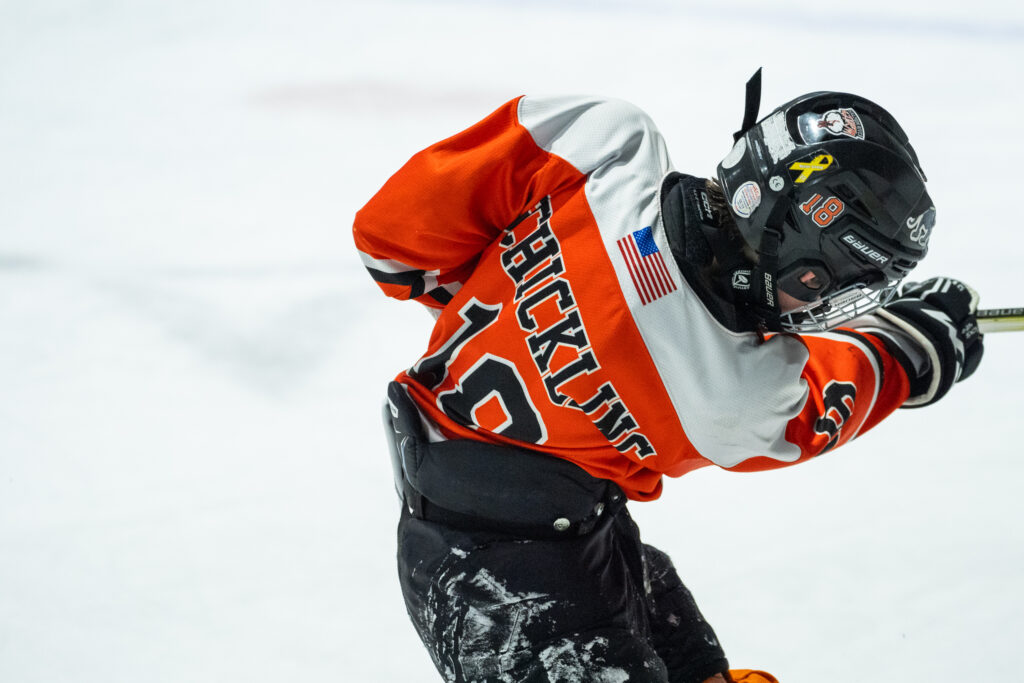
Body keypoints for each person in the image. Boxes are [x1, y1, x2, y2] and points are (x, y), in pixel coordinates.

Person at [352, 71, 984, 682]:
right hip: (512, 588)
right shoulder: (735, 393)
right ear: (799, 254)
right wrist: (912, 345)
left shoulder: (605, 144)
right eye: (843, 279)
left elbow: (390, 241)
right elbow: (832, 391)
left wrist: (505, 301)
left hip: (543, 535)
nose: (832, 303)